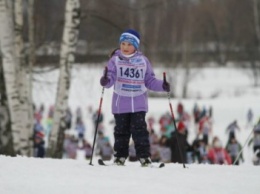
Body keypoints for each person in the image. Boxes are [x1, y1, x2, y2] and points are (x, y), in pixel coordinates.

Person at [99, 29, 170, 166]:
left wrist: (163, 85)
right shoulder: (115, 60)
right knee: (121, 131)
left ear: (136, 46)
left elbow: (150, 80)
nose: (125, 47)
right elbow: (110, 78)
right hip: (121, 103)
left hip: (139, 103)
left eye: (129, 44)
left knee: (140, 131)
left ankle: (144, 157)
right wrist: (105, 81)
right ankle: (120, 157)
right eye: (123, 44)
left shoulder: (143, 61)